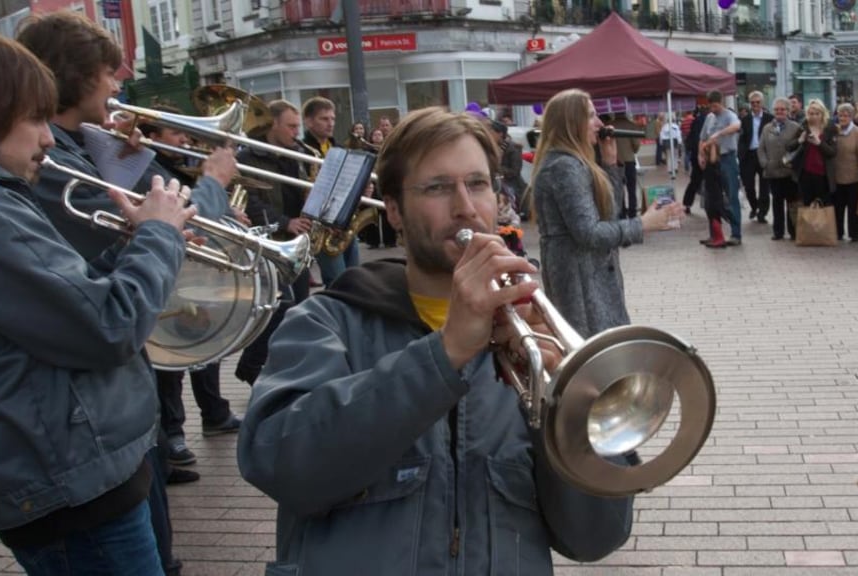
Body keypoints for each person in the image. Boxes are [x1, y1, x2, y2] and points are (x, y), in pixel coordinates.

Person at [237, 106, 635, 574]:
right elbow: (280, 463)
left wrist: (562, 408)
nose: (465, 206)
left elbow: (596, 537)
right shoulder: (325, 322)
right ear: (395, 211)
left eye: (478, 184)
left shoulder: (536, 338)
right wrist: (445, 354)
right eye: (438, 187)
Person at [0, 28, 195, 575]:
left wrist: (130, 245)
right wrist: (159, 238)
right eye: (33, 118)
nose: (48, 139)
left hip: (66, 474)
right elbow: (107, 326)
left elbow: (59, 305)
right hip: (70, 485)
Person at [17, 12, 209, 574]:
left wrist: (125, 163)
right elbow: (108, 266)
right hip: (85, 437)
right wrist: (213, 187)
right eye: (108, 72)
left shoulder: (74, 146)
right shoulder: (45, 163)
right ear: (73, 76)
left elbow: (124, 222)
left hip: (114, 416)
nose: (118, 85)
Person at [137, 107, 246, 473]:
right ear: (153, 136)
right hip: (166, 275)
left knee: (201, 341)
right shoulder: (146, 169)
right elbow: (192, 213)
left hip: (185, 268)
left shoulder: (172, 167)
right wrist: (213, 182)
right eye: (175, 133)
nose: (184, 140)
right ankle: (171, 434)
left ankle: (208, 414)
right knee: (168, 359)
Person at [531, 88, 681, 337]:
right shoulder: (564, 167)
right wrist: (642, 224)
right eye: (591, 116)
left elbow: (607, 216)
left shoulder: (575, 163)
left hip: (591, 277)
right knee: (595, 355)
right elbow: (589, 233)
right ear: (572, 123)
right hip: (581, 283)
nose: (600, 123)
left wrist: (610, 164)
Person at [234, 99, 312, 386]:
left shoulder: (298, 154)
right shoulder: (247, 157)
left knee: (299, 309)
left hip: (296, 241)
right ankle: (251, 364)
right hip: (269, 241)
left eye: (298, 126)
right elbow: (250, 199)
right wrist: (283, 221)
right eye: (291, 126)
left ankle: (286, 368)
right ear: (273, 124)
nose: (296, 132)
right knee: (276, 310)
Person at [303, 96, 359, 286]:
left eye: (333, 119)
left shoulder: (338, 148)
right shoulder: (303, 151)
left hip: (344, 224)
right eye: (324, 119)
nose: (330, 123)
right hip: (323, 228)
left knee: (355, 279)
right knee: (338, 282)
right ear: (309, 121)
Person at [699, 89, 743, 245]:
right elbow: (702, 138)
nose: (713, 109)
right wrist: (700, 155)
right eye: (711, 106)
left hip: (727, 159)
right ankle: (715, 234)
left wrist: (719, 134)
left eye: (716, 106)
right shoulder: (709, 118)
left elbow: (737, 125)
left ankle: (736, 234)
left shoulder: (729, 115)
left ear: (721, 102)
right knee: (712, 199)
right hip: (712, 161)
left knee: (731, 196)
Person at [757, 97, 803, 240]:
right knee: (776, 203)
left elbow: (800, 147)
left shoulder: (796, 127)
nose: (779, 112)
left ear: (788, 111)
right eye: (777, 109)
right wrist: (765, 163)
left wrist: (793, 163)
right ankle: (778, 231)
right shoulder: (767, 128)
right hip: (773, 172)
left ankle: (793, 231)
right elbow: (761, 148)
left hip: (789, 173)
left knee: (791, 203)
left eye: (782, 109)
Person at [787, 99, 838, 216]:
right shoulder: (803, 126)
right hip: (805, 173)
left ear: (822, 113)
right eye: (811, 113)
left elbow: (833, 152)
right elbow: (789, 146)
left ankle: (825, 232)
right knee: (806, 205)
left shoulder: (830, 127)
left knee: (824, 206)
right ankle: (808, 232)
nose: (813, 116)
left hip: (823, 175)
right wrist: (800, 140)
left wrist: (819, 143)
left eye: (817, 113)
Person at [832, 103, 858, 242]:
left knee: (854, 207)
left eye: (846, 115)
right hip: (837, 176)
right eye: (840, 115)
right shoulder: (834, 131)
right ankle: (838, 232)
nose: (843, 118)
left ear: (851, 117)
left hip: (854, 176)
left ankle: (855, 234)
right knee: (838, 207)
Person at [739, 91, 774, 223]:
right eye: (753, 103)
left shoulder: (770, 118)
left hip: (764, 155)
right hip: (749, 155)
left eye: (758, 102)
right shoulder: (745, 119)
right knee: (748, 185)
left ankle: (762, 212)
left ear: (762, 103)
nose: (755, 105)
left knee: (765, 186)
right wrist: (740, 153)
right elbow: (742, 139)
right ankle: (754, 207)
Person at [613, 112, 642, 217]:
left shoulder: (610, 126)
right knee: (631, 189)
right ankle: (632, 213)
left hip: (615, 162)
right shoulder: (631, 126)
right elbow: (636, 145)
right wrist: (631, 150)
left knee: (619, 189)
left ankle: (621, 213)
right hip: (629, 161)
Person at [681, 105, 709, 214]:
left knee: (695, 181)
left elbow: (691, 140)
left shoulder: (696, 121)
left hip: (697, 156)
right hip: (705, 155)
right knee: (711, 181)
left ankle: (687, 204)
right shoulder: (705, 120)